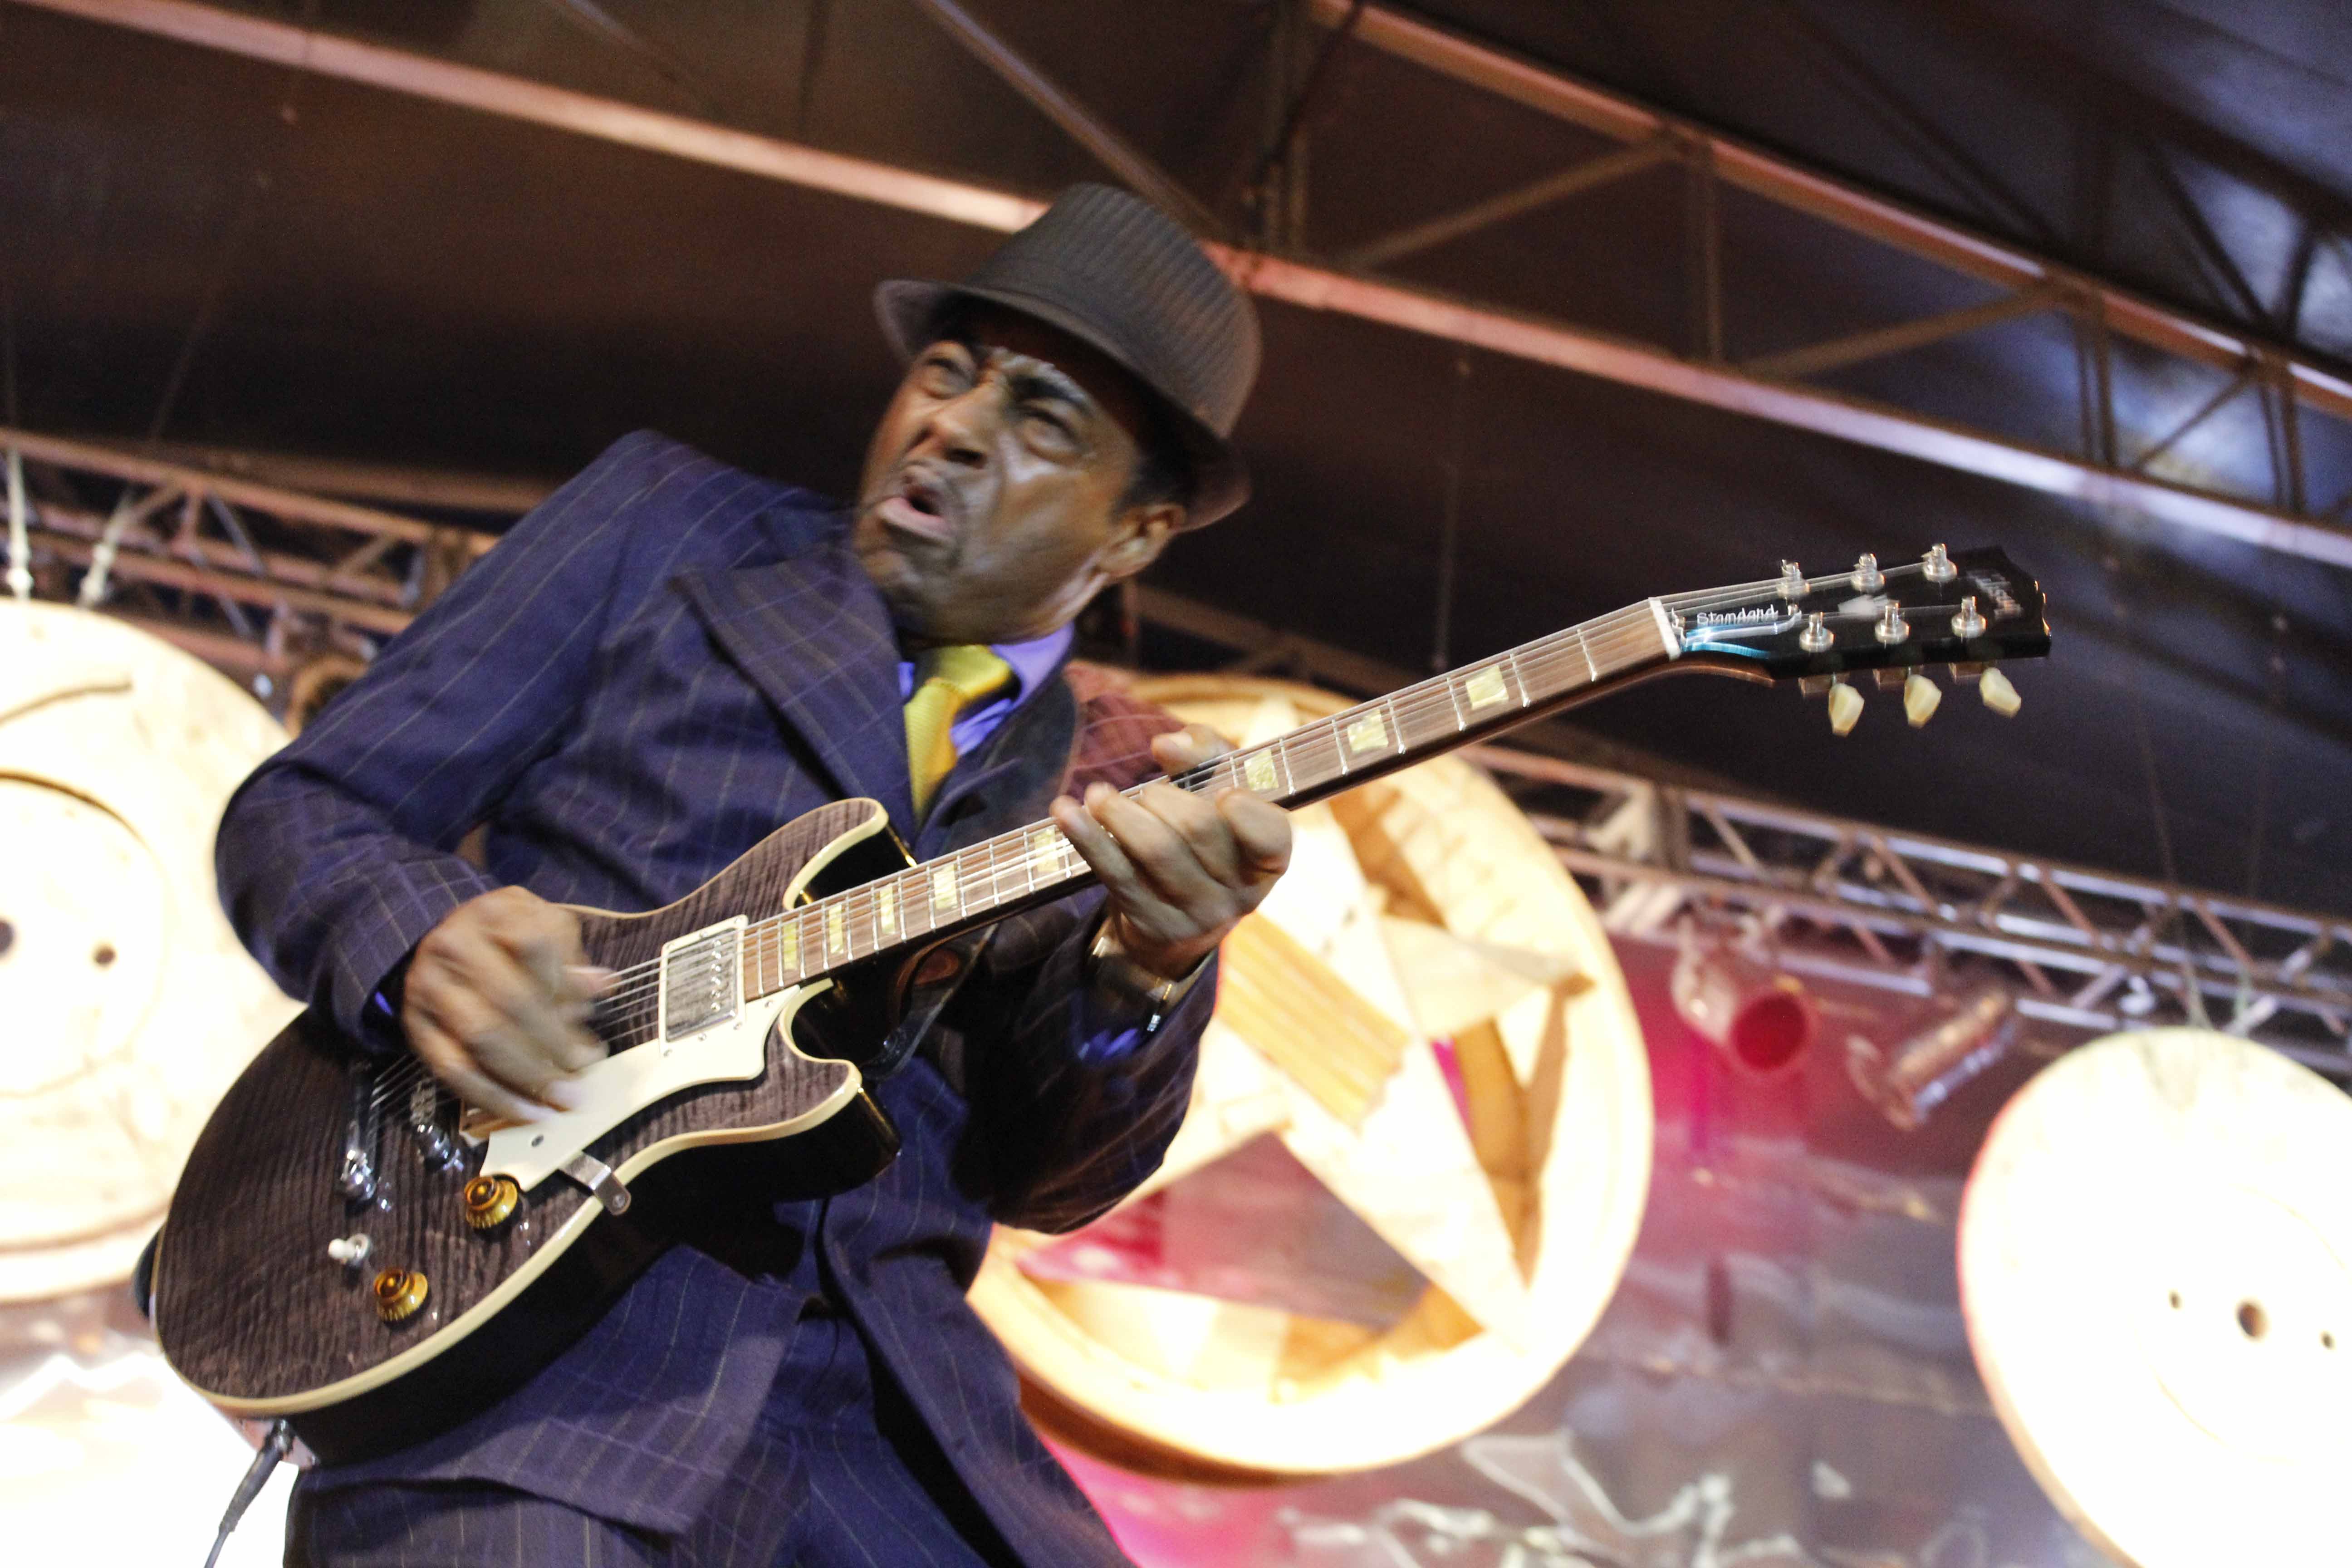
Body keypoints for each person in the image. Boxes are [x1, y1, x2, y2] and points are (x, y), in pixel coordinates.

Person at [216, 184, 1292, 1567]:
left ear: (1138, 533)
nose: (955, 425)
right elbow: (309, 808)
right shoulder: (667, 529)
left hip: (887, 1431)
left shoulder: (1126, 778)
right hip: (528, 1373)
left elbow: (1053, 1179)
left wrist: (1152, 970)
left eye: (1043, 420)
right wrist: (425, 943)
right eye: (947, 371)